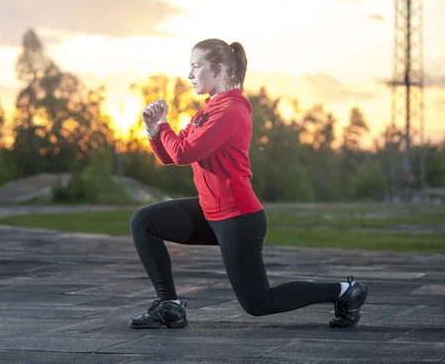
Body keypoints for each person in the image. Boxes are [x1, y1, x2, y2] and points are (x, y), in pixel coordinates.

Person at [129, 38, 367, 330]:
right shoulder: (206, 112)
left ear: (217, 70)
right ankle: (169, 306)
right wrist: (154, 131)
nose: (189, 74)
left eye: (195, 66)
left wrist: (164, 124)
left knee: (258, 304)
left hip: (237, 218)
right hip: (209, 211)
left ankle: (344, 291)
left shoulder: (230, 112)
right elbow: (170, 155)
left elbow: (183, 153)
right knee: (144, 221)